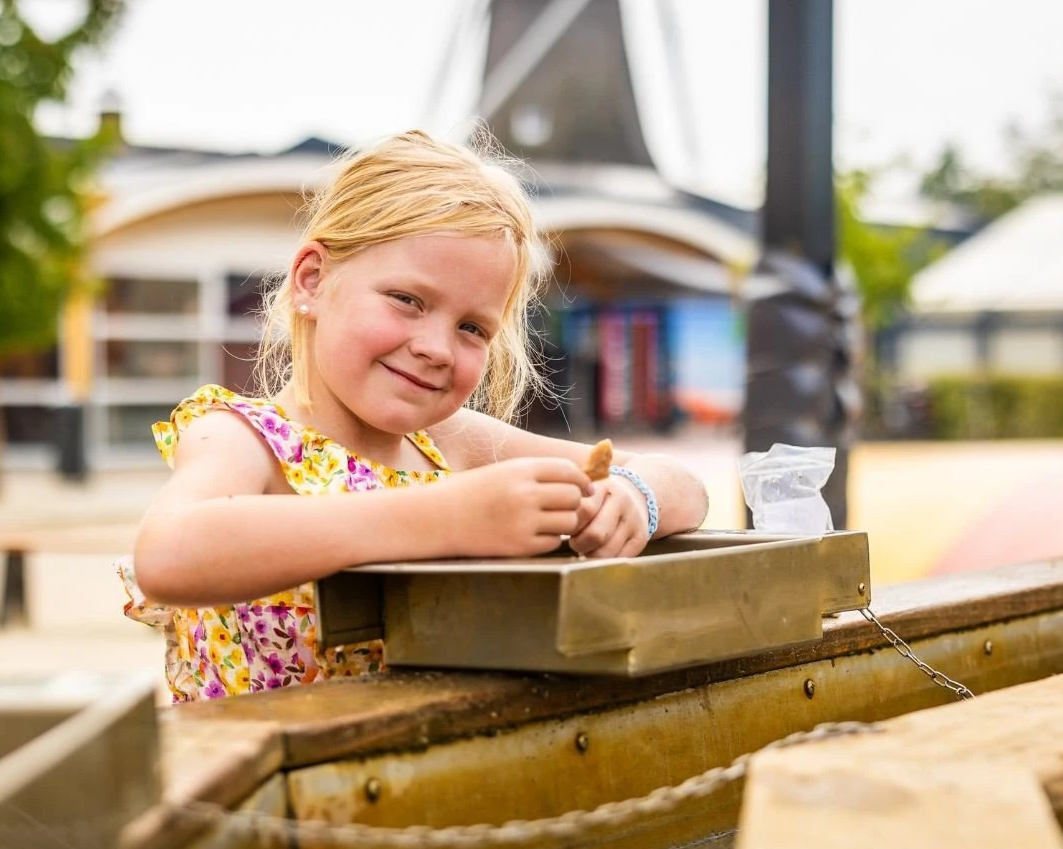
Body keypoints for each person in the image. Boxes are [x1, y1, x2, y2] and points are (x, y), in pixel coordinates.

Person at [126, 130, 708, 702]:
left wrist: (633, 499)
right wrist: (447, 516)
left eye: (472, 328)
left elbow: (686, 485)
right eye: (408, 300)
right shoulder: (241, 438)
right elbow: (166, 555)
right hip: (259, 786)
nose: (436, 346)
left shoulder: (452, 442)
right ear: (312, 280)